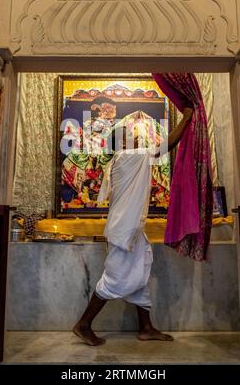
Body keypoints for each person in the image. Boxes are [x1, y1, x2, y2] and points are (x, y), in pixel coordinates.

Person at [73, 107, 194, 346]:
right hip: (124, 231)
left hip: (130, 230)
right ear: (122, 144)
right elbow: (166, 145)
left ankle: (146, 327)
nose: (136, 136)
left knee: (139, 275)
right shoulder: (129, 157)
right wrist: (187, 118)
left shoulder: (123, 159)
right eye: (130, 135)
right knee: (114, 279)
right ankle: (83, 324)